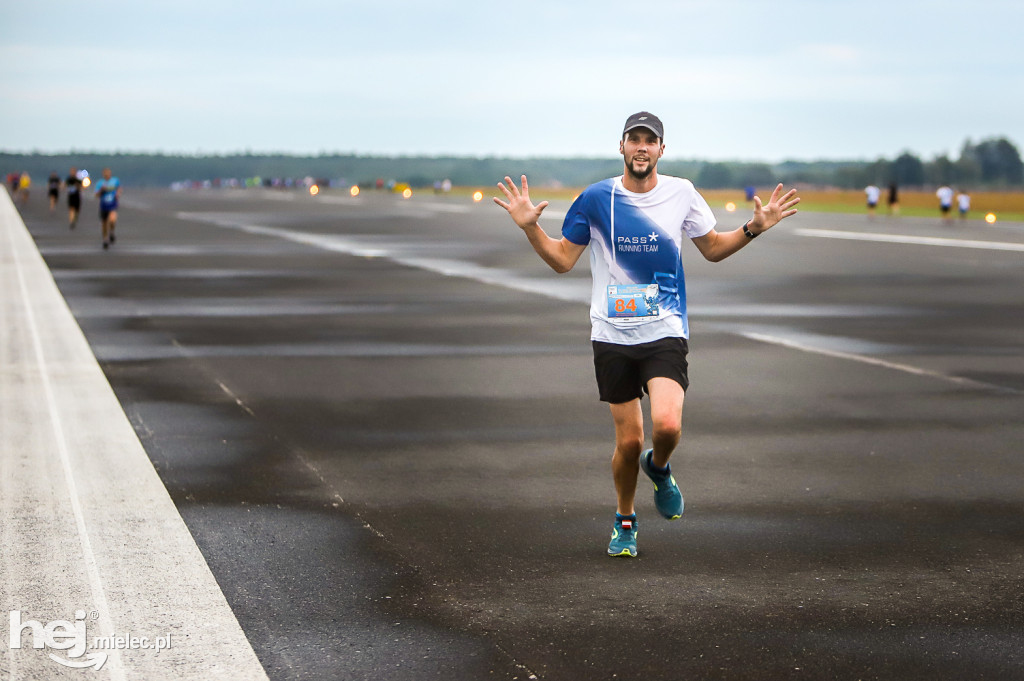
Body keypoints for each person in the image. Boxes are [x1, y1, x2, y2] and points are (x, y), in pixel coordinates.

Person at [494, 112, 800, 558]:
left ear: (661, 150)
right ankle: (625, 519)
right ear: (621, 147)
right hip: (613, 335)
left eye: (649, 141)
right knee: (630, 440)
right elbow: (562, 261)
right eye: (633, 139)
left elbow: (712, 249)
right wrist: (529, 227)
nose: (641, 147)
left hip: (664, 329)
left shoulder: (681, 193)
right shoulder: (597, 198)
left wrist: (754, 227)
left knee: (668, 426)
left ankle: (659, 468)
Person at [94, 167, 121, 249]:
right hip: (104, 205)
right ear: (103, 174)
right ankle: (105, 239)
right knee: (104, 224)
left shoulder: (115, 181)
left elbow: (119, 188)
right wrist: (101, 190)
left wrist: (118, 194)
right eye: (105, 173)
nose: (107, 174)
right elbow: (96, 195)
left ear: (110, 173)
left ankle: (112, 232)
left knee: (112, 219)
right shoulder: (100, 183)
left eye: (108, 173)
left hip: (113, 204)